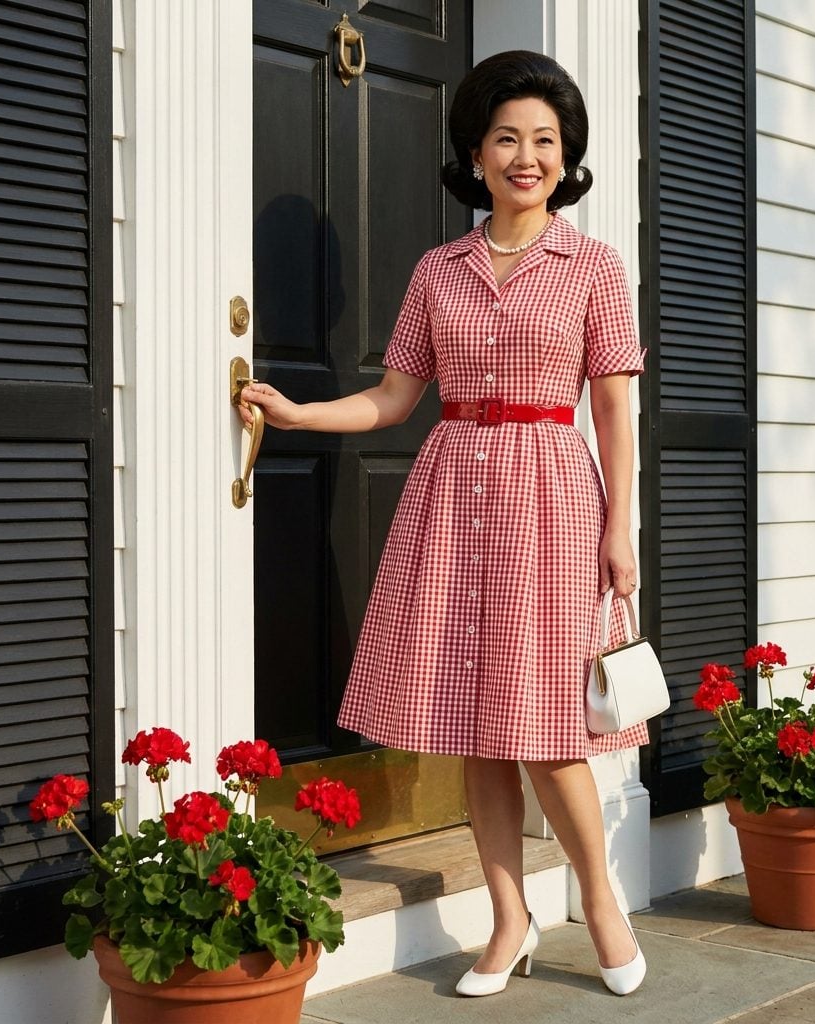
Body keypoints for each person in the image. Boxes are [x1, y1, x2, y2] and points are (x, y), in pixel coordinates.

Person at [240, 50, 648, 997]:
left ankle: (598, 900)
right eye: (507, 137)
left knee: (550, 729)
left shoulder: (593, 265)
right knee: (480, 725)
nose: (526, 156)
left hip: (553, 495)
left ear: (565, 155)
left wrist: (619, 528)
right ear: (474, 151)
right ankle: (508, 923)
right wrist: (301, 414)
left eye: (544, 140)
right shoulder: (440, 268)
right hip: (455, 498)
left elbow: (616, 407)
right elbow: (392, 400)